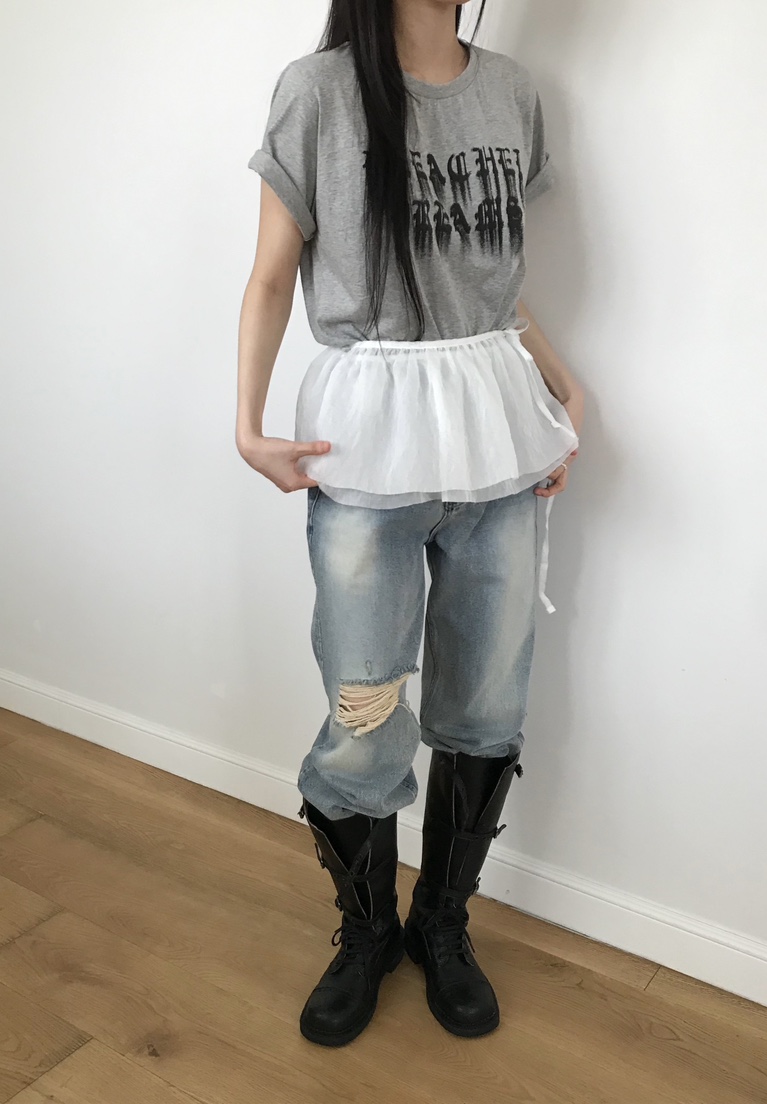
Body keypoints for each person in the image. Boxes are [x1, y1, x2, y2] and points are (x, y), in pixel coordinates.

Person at [237, 0, 585, 1048]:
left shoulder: (511, 90)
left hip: (496, 438)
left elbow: (492, 282)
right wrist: (247, 424)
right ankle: (367, 932)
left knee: (486, 702)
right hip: (368, 445)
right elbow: (271, 273)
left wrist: (561, 386)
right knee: (363, 711)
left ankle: (442, 921)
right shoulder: (319, 91)